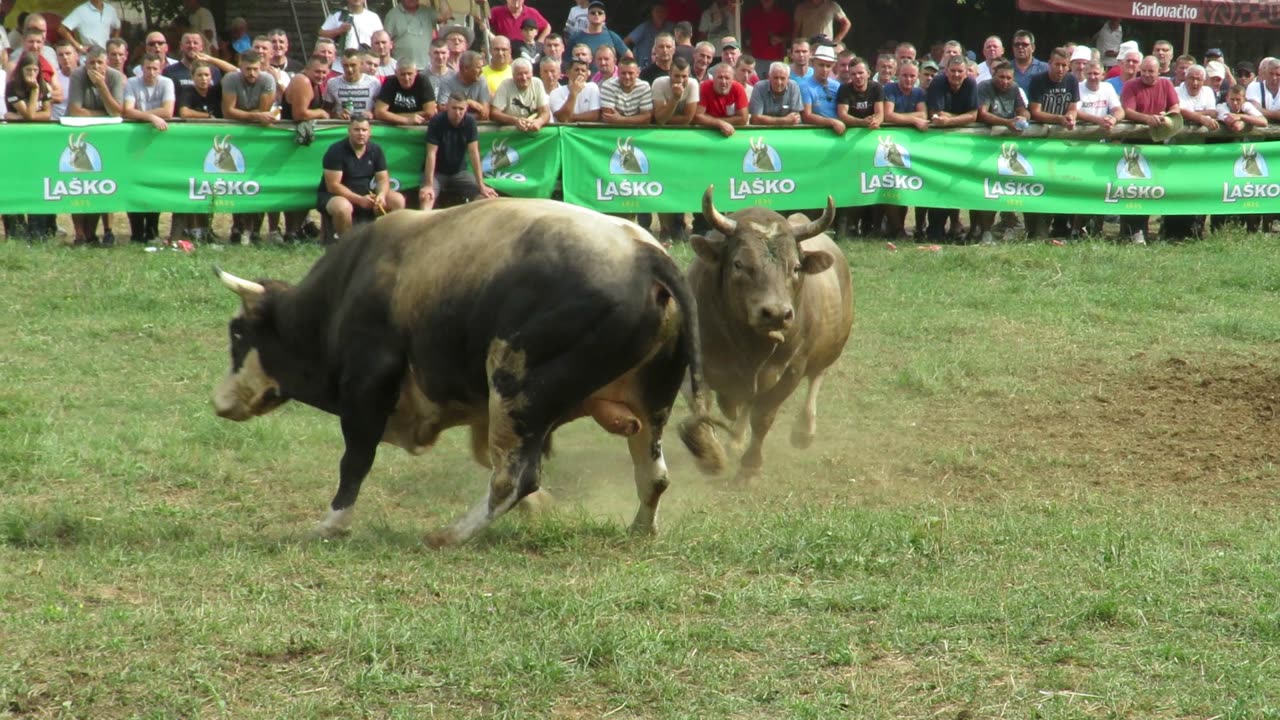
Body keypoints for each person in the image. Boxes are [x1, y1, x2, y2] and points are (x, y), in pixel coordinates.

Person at [66, 46, 124, 246]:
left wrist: (102, 87)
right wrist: (104, 114)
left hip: (107, 138)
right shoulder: (77, 76)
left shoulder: (115, 77)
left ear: (106, 63)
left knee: (106, 183)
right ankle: (80, 234)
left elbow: (117, 112)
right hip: (79, 136)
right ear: (85, 63)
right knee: (78, 184)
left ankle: (108, 231)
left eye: (100, 62)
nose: (96, 66)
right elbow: (75, 110)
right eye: (92, 63)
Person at [1120, 56, 1180, 244]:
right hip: (1133, 144)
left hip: (1157, 144)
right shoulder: (1130, 85)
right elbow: (1128, 111)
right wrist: (1147, 119)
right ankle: (1129, 231)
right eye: (1143, 70)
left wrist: (1167, 115)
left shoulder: (1166, 85)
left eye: (1150, 71)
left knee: (1151, 189)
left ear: (1159, 71)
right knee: (1131, 189)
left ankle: (1146, 229)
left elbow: (1175, 106)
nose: (1146, 74)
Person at [319, 113, 405, 236]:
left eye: (364, 130)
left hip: (367, 193)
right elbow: (333, 186)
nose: (361, 133)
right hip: (334, 196)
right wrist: (359, 200)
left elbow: (382, 179)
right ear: (349, 131)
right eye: (356, 130)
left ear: (370, 132)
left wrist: (381, 195)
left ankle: (388, 239)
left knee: (398, 200)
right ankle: (347, 243)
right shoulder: (336, 151)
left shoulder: (376, 150)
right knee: (343, 207)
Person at [122, 52, 175, 244]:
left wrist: (140, 114)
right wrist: (152, 117)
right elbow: (127, 110)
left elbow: (168, 111)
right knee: (133, 183)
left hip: (157, 143)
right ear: (141, 69)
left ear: (160, 68)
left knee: (154, 184)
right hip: (134, 142)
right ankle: (136, 233)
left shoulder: (167, 83)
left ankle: (152, 231)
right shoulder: (131, 83)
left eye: (155, 68)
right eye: (147, 68)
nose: (151, 72)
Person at [421, 93, 500, 210]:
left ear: (466, 109)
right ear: (447, 106)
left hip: (459, 172)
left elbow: (474, 153)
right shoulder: (436, 121)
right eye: (454, 108)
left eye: (461, 109)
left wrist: (481, 185)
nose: (457, 112)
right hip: (437, 173)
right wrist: (428, 184)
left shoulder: (470, 122)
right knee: (426, 197)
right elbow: (431, 154)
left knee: (487, 198)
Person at [320, 0, 384, 69]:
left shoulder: (373, 17)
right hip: (341, 67)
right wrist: (339, 31)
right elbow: (321, 34)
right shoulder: (338, 15)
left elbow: (381, 39)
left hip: (366, 67)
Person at [490, 56, 549, 130]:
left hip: (532, 128)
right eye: (519, 74)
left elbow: (545, 112)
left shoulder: (537, 83)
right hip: (510, 128)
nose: (524, 78)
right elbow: (495, 113)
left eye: (526, 73)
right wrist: (515, 120)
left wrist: (539, 122)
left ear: (532, 73)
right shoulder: (505, 85)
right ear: (513, 75)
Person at [384, 0, 445, 71]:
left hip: (427, 67)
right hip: (404, 69)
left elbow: (446, 15)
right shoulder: (392, 15)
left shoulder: (427, 12)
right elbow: (385, 42)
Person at [570, 2, 628, 72]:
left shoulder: (612, 36)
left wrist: (619, 73)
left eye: (600, 13)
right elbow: (566, 61)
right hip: (584, 80)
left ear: (604, 17)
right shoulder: (576, 37)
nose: (596, 14)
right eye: (593, 13)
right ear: (587, 16)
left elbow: (628, 56)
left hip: (608, 81)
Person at [799, 44, 843, 134]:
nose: (824, 69)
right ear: (813, 64)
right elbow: (806, 116)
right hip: (815, 133)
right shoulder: (805, 87)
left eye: (828, 66)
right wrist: (832, 122)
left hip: (838, 131)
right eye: (821, 65)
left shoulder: (837, 86)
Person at [325, 47, 381, 118]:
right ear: (341, 64)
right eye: (346, 65)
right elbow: (326, 111)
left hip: (365, 126)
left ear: (361, 64)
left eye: (353, 65)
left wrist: (372, 114)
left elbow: (381, 109)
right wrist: (338, 115)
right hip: (341, 126)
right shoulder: (332, 83)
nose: (349, 69)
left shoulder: (374, 83)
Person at [696, 61, 747, 136]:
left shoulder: (738, 88)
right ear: (713, 78)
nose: (723, 81)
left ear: (732, 79)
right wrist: (719, 123)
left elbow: (743, 119)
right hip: (707, 132)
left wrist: (712, 120)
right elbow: (697, 116)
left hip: (733, 131)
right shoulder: (704, 87)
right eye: (720, 77)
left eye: (727, 78)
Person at [599, 55, 653, 125]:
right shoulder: (608, 86)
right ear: (618, 73)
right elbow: (608, 117)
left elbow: (647, 119)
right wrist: (637, 118)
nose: (627, 77)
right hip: (613, 130)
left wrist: (621, 119)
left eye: (630, 73)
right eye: (623, 73)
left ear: (637, 73)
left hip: (638, 131)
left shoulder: (644, 87)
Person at [439, 49, 490, 119]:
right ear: (466, 68)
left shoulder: (481, 80)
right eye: (478, 67)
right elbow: (442, 109)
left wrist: (458, 113)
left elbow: (485, 113)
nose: (481, 71)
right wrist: (468, 102)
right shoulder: (447, 82)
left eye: (482, 67)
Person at [748, 61, 802, 125]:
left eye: (782, 78)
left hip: (787, 130)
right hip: (764, 130)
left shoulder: (793, 86)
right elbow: (755, 119)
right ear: (769, 77)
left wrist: (766, 119)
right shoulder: (759, 87)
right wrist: (784, 121)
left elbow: (795, 118)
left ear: (788, 78)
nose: (779, 82)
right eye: (775, 78)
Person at [836, 56, 883, 129]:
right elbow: (842, 115)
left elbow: (880, 113)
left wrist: (876, 121)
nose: (857, 76)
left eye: (860, 73)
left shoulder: (877, 87)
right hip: (851, 130)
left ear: (868, 74)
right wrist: (862, 122)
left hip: (871, 129)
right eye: (853, 74)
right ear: (850, 76)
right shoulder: (844, 89)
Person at [550, 58, 600, 123]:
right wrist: (574, 93)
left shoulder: (592, 87)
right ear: (568, 73)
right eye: (576, 70)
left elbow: (594, 115)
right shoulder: (556, 93)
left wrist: (572, 117)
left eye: (583, 71)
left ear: (587, 75)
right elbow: (563, 118)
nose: (580, 73)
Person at [1077, 60, 1123, 130]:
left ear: (1103, 75)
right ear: (1084, 74)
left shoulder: (1108, 87)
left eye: (1096, 74)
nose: (1092, 77)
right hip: (1079, 133)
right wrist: (1098, 120)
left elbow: (1119, 111)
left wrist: (1113, 119)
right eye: (1089, 74)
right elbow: (1075, 111)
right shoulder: (1077, 87)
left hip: (1100, 136)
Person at [5, 50, 51, 121]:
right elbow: (29, 116)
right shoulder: (12, 87)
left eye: (35, 70)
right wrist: (35, 90)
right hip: (19, 128)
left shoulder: (43, 85)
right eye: (28, 70)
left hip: (40, 126)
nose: (32, 73)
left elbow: (48, 114)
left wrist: (19, 117)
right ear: (21, 70)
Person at [625, 4, 671, 69]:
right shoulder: (644, 27)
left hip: (663, 67)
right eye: (657, 11)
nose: (660, 14)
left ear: (666, 14)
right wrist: (628, 58)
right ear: (652, 13)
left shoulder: (670, 28)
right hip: (644, 67)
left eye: (662, 12)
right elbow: (626, 41)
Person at [1245, 58, 1280, 123]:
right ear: (1265, 73)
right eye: (1271, 73)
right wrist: (1276, 114)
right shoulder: (1254, 87)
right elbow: (1253, 110)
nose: (1274, 78)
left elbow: (1258, 110)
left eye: (1278, 75)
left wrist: (1262, 110)